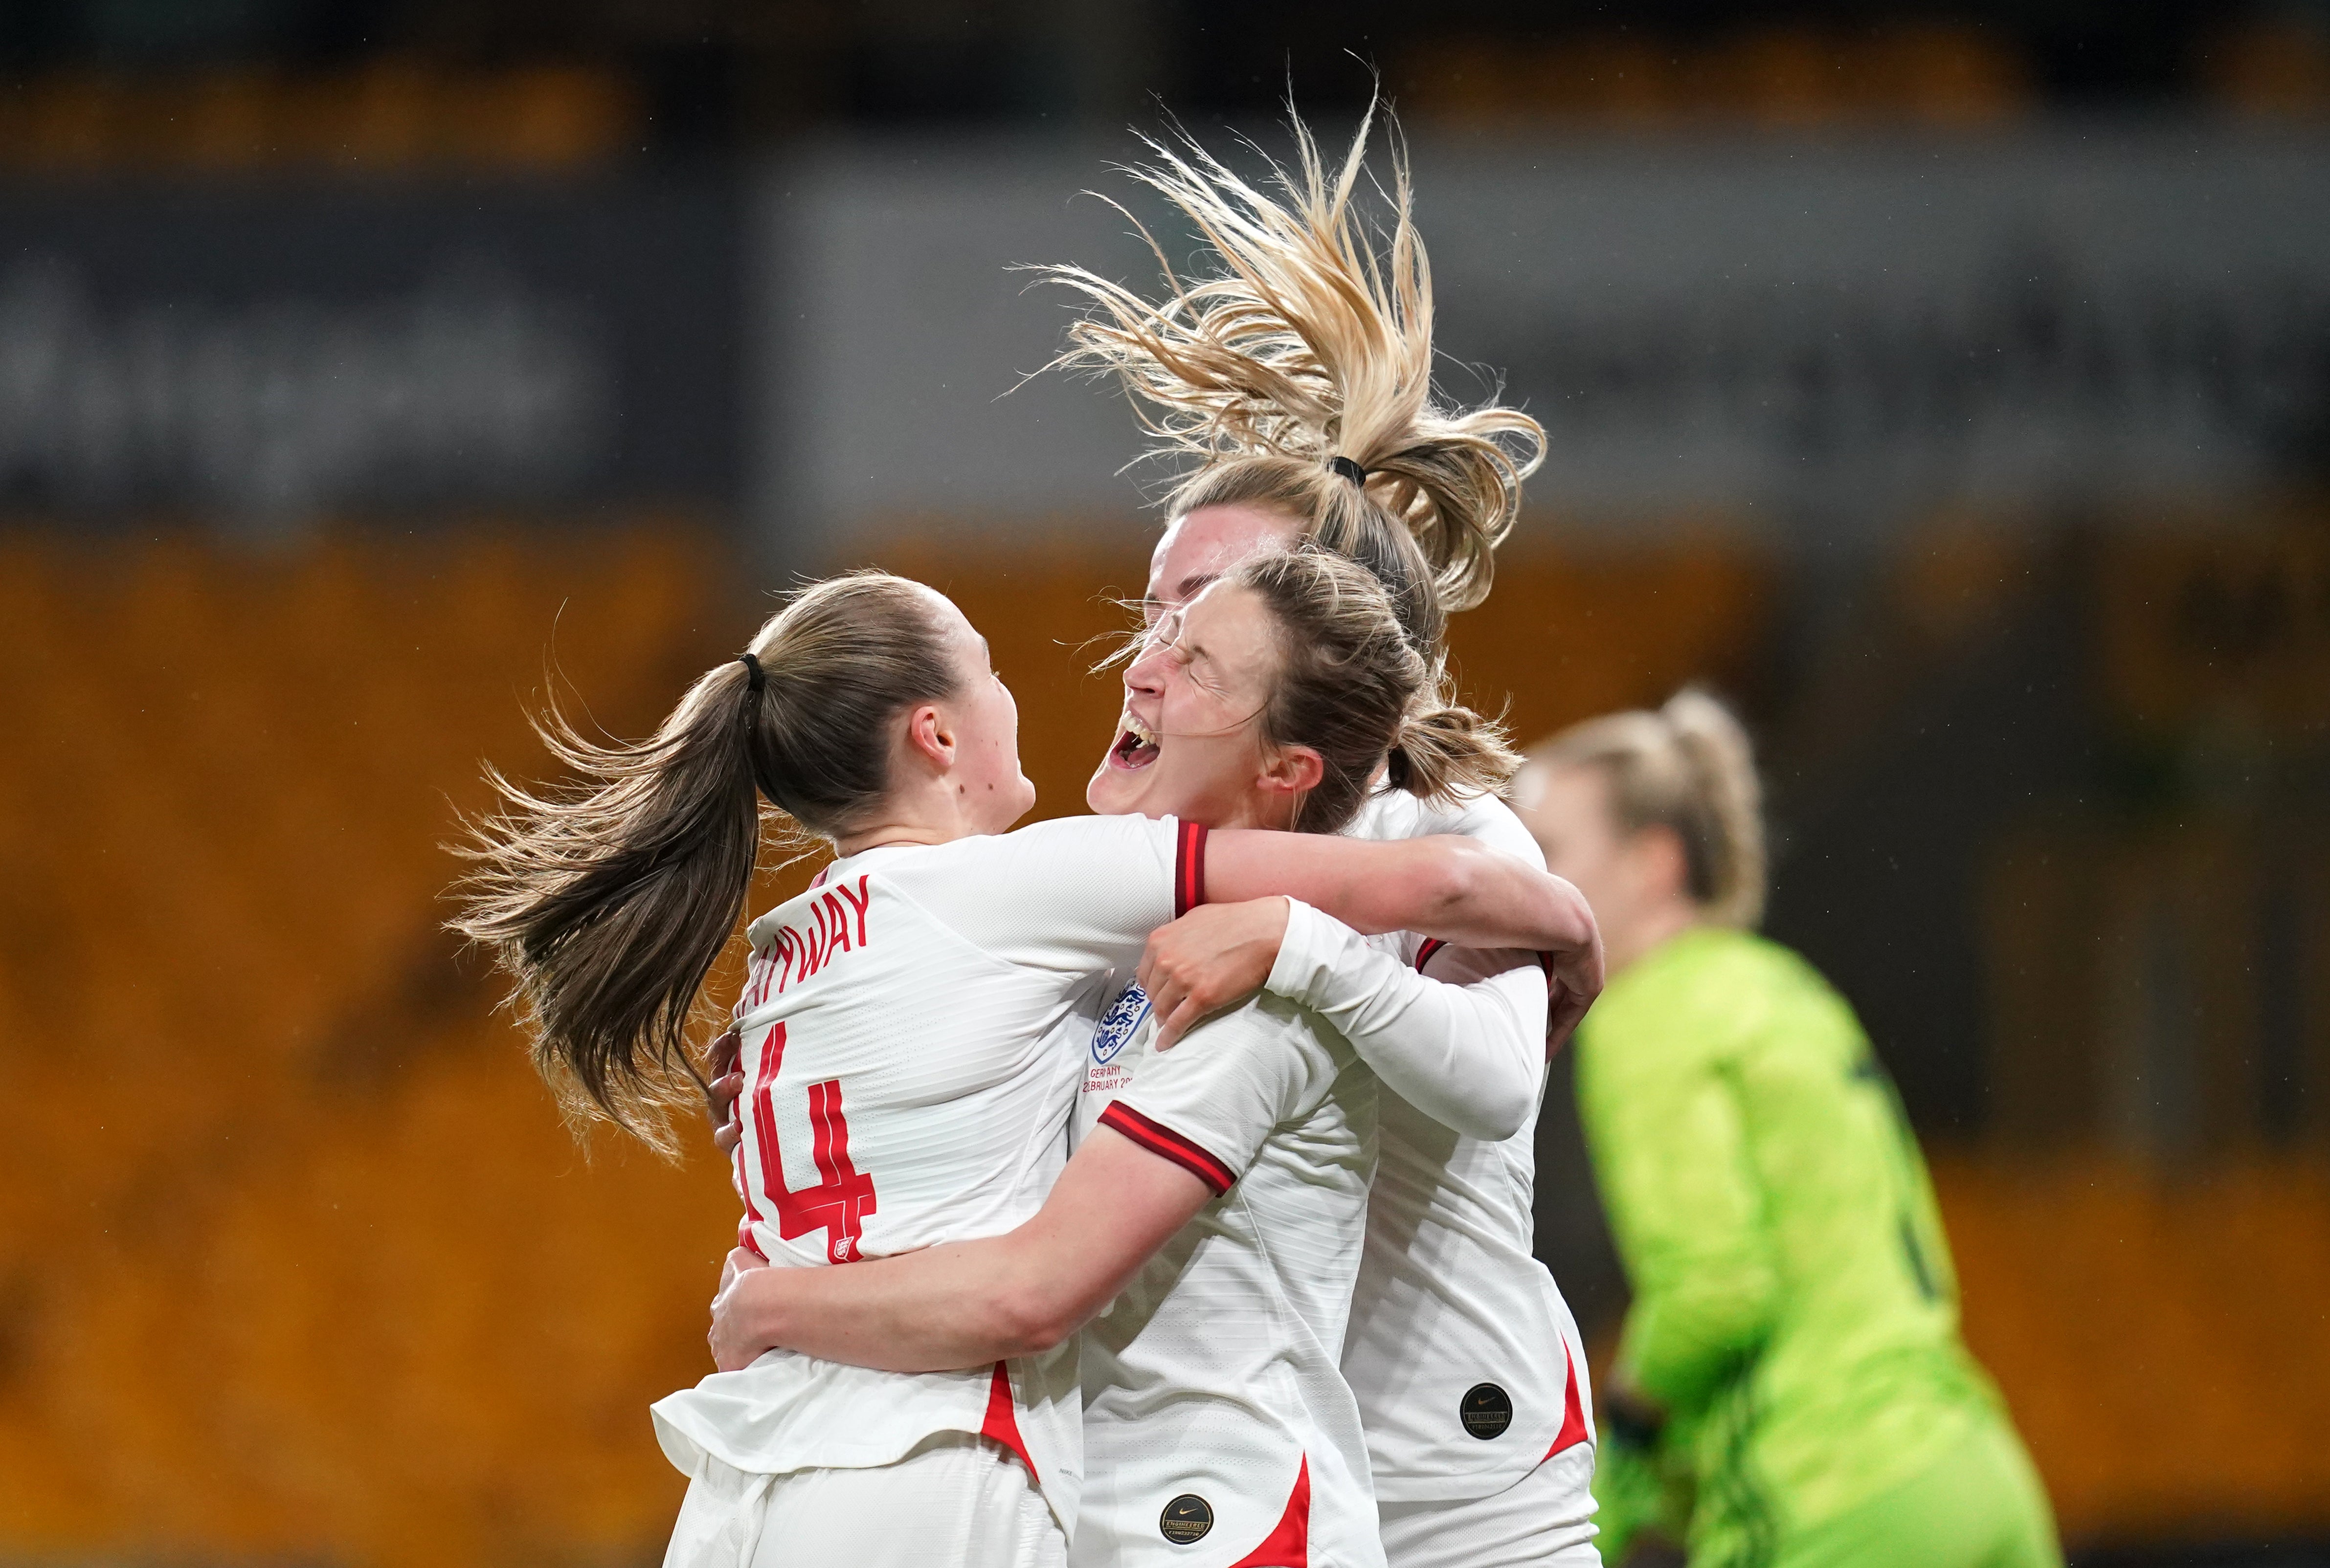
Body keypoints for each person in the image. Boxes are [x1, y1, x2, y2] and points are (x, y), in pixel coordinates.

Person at [704, 101, 1603, 1565]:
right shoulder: (1122, 887)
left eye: (1200, 617)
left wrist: (1338, 936)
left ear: (1320, 646)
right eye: (1153, 606)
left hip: (1452, 1494)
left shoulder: (1436, 832)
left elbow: (1498, 1080)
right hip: (1206, 1488)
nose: (1146, 649)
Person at [454, 564, 1596, 1568]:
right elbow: (1444, 888)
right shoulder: (1044, 891)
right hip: (937, 1460)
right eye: (993, 672)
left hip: (762, 1471)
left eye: (1192, 654)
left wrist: (773, 1297)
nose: (1137, 668)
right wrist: (1573, 928)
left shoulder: (779, 957)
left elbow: (1460, 984)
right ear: (938, 736)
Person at [1514, 690, 2063, 1568]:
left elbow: (1716, 1290)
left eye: (1550, 853)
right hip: (1972, 1474)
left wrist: (1622, 1421)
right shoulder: (1781, 984)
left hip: (1831, 1491)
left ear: (1653, 863)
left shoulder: (1650, 1014)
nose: (1526, 879)